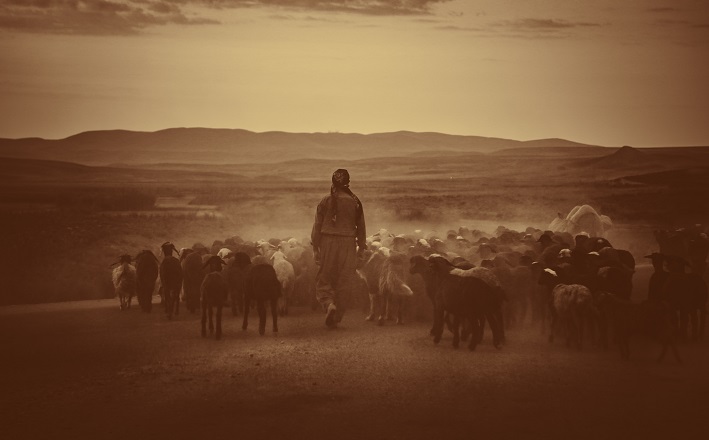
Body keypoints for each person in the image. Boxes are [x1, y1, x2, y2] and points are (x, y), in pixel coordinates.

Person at [311, 169, 366, 328]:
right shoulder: (355, 202)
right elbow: (361, 228)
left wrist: (316, 248)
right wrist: (361, 249)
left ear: (333, 183)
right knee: (345, 279)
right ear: (347, 183)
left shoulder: (325, 201)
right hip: (348, 244)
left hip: (328, 243)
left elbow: (317, 227)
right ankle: (338, 315)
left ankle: (329, 304)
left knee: (324, 277)